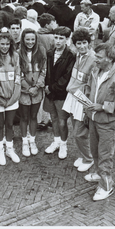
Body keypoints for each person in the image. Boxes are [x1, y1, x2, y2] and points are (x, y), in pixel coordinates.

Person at [84, 43, 115, 201]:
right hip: (93, 119)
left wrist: (103, 106)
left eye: (99, 57)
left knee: (105, 155)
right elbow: (89, 90)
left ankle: (106, 186)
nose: (95, 60)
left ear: (110, 58)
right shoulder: (96, 70)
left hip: (107, 122)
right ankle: (99, 174)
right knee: (95, 150)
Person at [62, 28, 97, 172]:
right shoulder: (78, 56)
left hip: (82, 98)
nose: (82, 46)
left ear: (89, 43)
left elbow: (92, 84)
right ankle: (83, 155)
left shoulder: (94, 59)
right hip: (73, 96)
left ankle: (89, 158)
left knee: (79, 132)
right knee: (75, 128)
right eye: (78, 43)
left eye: (84, 43)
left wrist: (86, 104)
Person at [0, 27, 21, 165]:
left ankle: (9, 148)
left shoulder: (15, 56)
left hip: (12, 99)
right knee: (0, 124)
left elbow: (18, 78)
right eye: (2, 44)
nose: (5, 46)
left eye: (7, 44)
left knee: (9, 124)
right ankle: (0, 150)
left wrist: (14, 96)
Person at [43, 27, 75, 159]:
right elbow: (47, 71)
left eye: (61, 38)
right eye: (55, 37)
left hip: (61, 94)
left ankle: (63, 144)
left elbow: (67, 77)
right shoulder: (50, 53)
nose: (57, 41)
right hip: (50, 92)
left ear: (67, 39)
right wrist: (46, 86)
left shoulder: (70, 55)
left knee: (62, 121)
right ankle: (56, 141)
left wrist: (52, 87)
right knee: (54, 118)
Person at [19, 28, 47, 157]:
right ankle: (25, 141)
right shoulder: (18, 53)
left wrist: (37, 86)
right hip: (24, 91)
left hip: (37, 90)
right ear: (23, 40)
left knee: (34, 116)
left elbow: (44, 71)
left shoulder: (41, 52)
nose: (30, 42)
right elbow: (17, 73)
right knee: (24, 117)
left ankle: (32, 140)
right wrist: (26, 87)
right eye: (27, 39)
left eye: (32, 39)